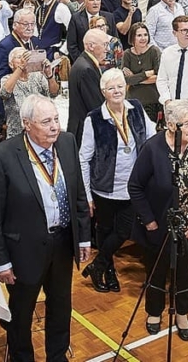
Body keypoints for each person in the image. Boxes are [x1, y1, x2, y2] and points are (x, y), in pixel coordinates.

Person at [0, 94, 91, 362]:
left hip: (63, 243)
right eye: (46, 121)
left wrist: (84, 239)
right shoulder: (2, 156)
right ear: (27, 124)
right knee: (21, 313)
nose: (54, 126)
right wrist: (0, 262)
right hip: (22, 251)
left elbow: (78, 195)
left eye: (56, 119)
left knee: (61, 306)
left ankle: (57, 355)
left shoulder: (66, 142)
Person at [127, 99, 188, 340]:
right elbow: (135, 187)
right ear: (172, 125)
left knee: (186, 272)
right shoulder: (153, 149)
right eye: (187, 123)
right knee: (157, 270)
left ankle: (182, 312)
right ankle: (154, 312)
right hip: (160, 227)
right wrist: (150, 222)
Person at [78, 69, 156, 294]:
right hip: (104, 188)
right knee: (104, 230)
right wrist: (87, 195)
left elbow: (151, 137)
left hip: (133, 187)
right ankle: (108, 270)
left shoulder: (137, 109)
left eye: (120, 86)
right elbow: (84, 159)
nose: (116, 91)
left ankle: (98, 265)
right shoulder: (94, 119)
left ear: (126, 87)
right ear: (103, 92)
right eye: (111, 88)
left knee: (122, 231)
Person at [0, 46, 60, 139]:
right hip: (17, 132)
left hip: (39, 131)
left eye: (27, 56)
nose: (25, 59)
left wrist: (49, 75)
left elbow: (54, 93)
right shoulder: (7, 79)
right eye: (20, 57)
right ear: (11, 64)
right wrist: (21, 67)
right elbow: (5, 93)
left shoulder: (37, 76)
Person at [67, 29, 109, 142]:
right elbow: (96, 104)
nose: (107, 49)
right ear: (91, 46)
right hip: (85, 131)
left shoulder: (85, 63)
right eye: (105, 44)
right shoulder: (86, 69)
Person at [122, 22, 161, 124]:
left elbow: (159, 77)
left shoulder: (154, 51)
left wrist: (135, 79)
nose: (143, 38)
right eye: (139, 35)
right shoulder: (127, 54)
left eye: (145, 35)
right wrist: (146, 74)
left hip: (153, 100)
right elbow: (126, 80)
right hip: (133, 101)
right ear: (132, 38)